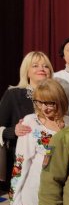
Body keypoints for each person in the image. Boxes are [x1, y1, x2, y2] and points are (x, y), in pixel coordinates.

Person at [0, 51, 53, 187]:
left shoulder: (57, 96)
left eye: (45, 66)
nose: (42, 69)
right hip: (21, 164)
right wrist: (14, 131)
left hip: (51, 164)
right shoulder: (13, 94)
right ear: (27, 72)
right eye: (35, 65)